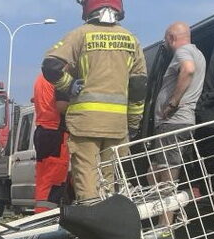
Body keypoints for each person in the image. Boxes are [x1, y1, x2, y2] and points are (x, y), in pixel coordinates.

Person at [42, 0, 147, 202]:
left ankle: (90, 228)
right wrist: (132, 124)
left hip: (85, 124)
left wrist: (68, 85)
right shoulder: (131, 39)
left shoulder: (80, 35)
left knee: (88, 184)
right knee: (110, 186)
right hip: (117, 127)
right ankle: (108, 228)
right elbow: (138, 87)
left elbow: (50, 66)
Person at [150, 22, 206, 226]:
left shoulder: (183, 52)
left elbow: (188, 70)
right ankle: (160, 214)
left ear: (171, 38)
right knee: (153, 171)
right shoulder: (198, 53)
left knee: (167, 173)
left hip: (174, 122)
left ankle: (165, 225)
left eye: (166, 39)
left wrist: (172, 103)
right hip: (177, 123)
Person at [32, 74, 70, 213]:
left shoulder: (41, 78)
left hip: (42, 130)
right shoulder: (60, 78)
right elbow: (61, 106)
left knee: (44, 179)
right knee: (54, 180)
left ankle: (40, 213)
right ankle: (46, 216)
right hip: (56, 133)